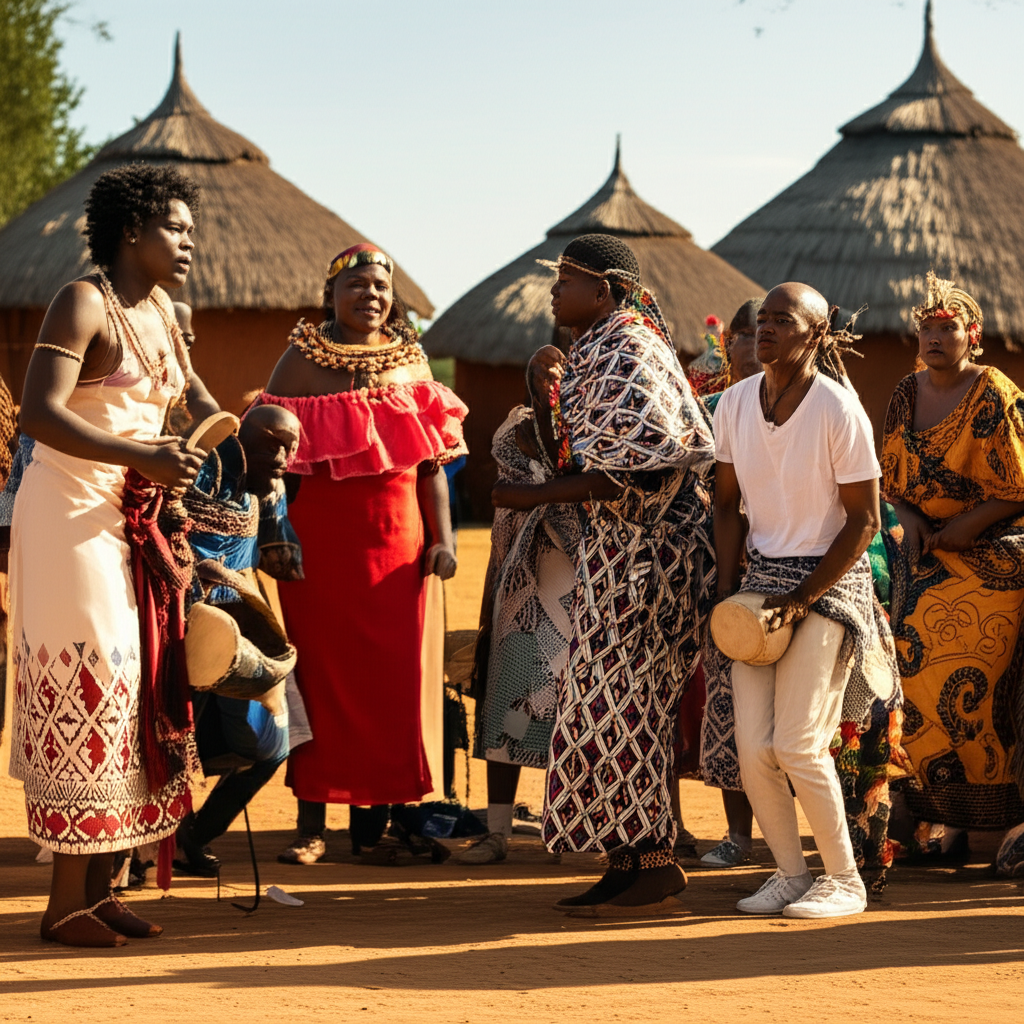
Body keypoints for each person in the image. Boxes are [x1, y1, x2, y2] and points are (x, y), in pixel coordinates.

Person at [8, 164, 219, 947]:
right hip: (70, 515)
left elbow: (190, 393)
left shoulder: (160, 308)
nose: (189, 241)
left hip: (134, 515)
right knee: (92, 682)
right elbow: (39, 413)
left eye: (190, 229)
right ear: (133, 231)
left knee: (135, 691)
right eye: (175, 228)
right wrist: (145, 456)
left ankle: (99, 891)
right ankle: (62, 904)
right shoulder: (83, 300)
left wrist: (222, 430)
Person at [496, 233, 716, 916]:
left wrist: (531, 498)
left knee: (621, 708)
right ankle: (634, 860)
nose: (555, 291)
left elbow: (644, 463)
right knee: (607, 709)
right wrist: (542, 386)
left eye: (567, 280)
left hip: (654, 558)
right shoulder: (601, 348)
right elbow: (574, 451)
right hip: (620, 554)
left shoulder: (628, 346)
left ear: (607, 290)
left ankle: (652, 863)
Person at [259, 243, 467, 864]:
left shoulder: (412, 364)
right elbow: (267, 461)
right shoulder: (298, 362)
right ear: (331, 295)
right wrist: (276, 532)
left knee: (392, 685)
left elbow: (430, 466)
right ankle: (311, 822)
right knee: (318, 680)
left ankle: (376, 820)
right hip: (316, 551)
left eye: (379, 286)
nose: (369, 296)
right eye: (355, 285)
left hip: (399, 549)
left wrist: (444, 538)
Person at [712, 282, 900, 919]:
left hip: (827, 583)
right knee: (752, 747)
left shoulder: (837, 409)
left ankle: (845, 879)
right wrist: (726, 595)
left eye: (781, 320)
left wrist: (802, 596)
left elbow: (864, 520)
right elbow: (726, 507)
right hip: (761, 586)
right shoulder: (734, 403)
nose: (764, 329)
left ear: (816, 333)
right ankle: (791, 875)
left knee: (798, 742)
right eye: (761, 319)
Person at [883, 272, 1024, 851]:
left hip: (999, 547)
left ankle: (995, 820)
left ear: (973, 335)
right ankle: (939, 814)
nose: (935, 337)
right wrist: (910, 515)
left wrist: (968, 525)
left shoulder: (994, 390)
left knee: (984, 684)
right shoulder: (904, 393)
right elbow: (889, 478)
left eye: (948, 328)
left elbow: (1018, 484)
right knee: (912, 676)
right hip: (928, 553)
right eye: (927, 328)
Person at [174, 404, 303, 876]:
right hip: (179, 626)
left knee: (270, 746)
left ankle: (194, 834)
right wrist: (204, 576)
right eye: (271, 443)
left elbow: (278, 554)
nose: (283, 455)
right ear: (240, 437)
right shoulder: (200, 470)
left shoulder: (271, 490)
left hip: (241, 631)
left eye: (290, 446)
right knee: (170, 740)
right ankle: (140, 855)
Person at [457, 391, 580, 864]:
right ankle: (497, 830)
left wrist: (535, 495)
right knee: (509, 696)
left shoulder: (601, 424)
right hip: (520, 589)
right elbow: (514, 471)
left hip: (579, 583)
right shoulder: (520, 425)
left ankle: (567, 827)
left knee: (572, 709)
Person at [692, 297, 762, 869]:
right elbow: (717, 505)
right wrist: (723, 584)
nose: (755, 343)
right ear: (728, 344)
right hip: (725, 569)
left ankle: (838, 842)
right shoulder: (708, 411)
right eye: (745, 334)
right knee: (731, 707)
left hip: (812, 572)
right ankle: (739, 836)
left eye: (767, 330)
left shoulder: (826, 404)